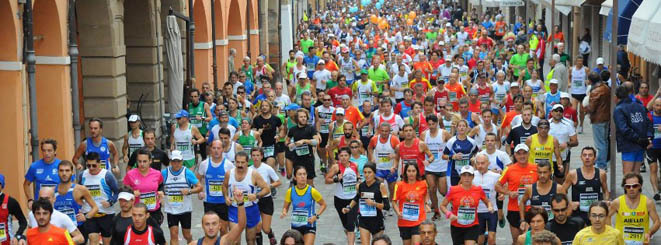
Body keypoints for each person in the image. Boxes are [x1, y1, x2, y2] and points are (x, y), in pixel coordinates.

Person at [223, 151, 271, 245]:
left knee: (250, 240)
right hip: (234, 209)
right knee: (235, 240)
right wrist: (226, 197)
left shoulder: (254, 174)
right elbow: (224, 186)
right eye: (237, 162)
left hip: (250, 209)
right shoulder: (229, 173)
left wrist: (256, 196)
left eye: (242, 162)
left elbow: (267, 188)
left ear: (247, 162)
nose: (240, 165)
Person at [495, 144, 539, 243]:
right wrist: (508, 193)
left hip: (532, 209)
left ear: (528, 154)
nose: (522, 156)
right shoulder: (509, 169)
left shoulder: (536, 168)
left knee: (530, 240)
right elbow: (497, 186)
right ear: (515, 155)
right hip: (514, 208)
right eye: (519, 154)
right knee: (516, 239)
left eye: (524, 153)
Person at [440, 165, 493, 245]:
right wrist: (449, 214)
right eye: (464, 175)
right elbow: (442, 205)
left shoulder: (478, 189)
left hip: (472, 225)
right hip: (456, 225)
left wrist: (490, 206)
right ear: (460, 176)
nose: (467, 178)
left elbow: (487, 201)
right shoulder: (453, 190)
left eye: (469, 175)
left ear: (473, 177)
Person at [78, 152, 120, 245]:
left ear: (99, 163)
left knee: (107, 242)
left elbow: (117, 191)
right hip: (89, 213)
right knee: (93, 239)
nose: (91, 168)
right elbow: (79, 192)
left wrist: (110, 202)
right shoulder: (82, 175)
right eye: (88, 165)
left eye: (94, 165)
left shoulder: (107, 175)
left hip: (106, 213)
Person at [162, 150, 202, 245]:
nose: (176, 164)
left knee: (186, 235)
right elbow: (157, 186)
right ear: (171, 161)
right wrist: (160, 193)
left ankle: (190, 241)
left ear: (182, 161)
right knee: (173, 233)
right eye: (174, 161)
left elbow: (200, 187)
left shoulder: (187, 173)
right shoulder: (164, 173)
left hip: (185, 209)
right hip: (171, 209)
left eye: (178, 161)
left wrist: (189, 191)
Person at [342, 163, 389, 244]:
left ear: (374, 173)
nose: (367, 175)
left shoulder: (381, 186)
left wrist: (374, 204)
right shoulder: (360, 186)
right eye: (365, 172)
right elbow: (356, 198)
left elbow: (387, 206)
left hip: (377, 220)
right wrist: (349, 208)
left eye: (369, 172)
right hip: (363, 220)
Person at [280, 166, 328, 245]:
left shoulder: (312, 191)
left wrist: (316, 216)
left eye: (304, 174)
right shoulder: (290, 191)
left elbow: (323, 204)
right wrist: (284, 212)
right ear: (295, 177)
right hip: (295, 225)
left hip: (309, 225)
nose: (302, 176)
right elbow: (286, 207)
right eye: (299, 174)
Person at [560, 146, 609, 224]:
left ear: (595, 158)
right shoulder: (573, 174)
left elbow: (605, 191)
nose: (587, 158)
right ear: (581, 157)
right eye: (585, 155)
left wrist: (606, 201)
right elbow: (561, 191)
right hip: (578, 214)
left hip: (595, 214)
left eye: (590, 155)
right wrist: (569, 203)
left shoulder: (601, 173)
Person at [609, 173, 661, 244]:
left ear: (640, 186)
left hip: (641, 242)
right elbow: (606, 216)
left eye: (635, 186)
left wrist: (649, 233)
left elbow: (657, 222)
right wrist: (612, 232)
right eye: (628, 186)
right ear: (624, 187)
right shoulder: (617, 202)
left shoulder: (648, 203)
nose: (631, 189)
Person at [196, 139, 234, 236]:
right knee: (210, 231)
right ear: (210, 149)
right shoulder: (204, 164)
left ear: (223, 149)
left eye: (218, 148)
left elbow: (234, 182)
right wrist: (199, 191)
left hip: (223, 202)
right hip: (209, 202)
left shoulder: (228, 165)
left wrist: (231, 196)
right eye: (214, 148)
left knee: (223, 230)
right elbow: (197, 180)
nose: (216, 150)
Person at [614, 85, 653, 174]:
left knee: (628, 174)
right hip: (641, 144)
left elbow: (624, 129)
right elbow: (649, 122)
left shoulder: (619, 109)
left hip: (629, 144)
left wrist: (638, 139)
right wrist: (648, 138)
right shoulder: (639, 105)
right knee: (636, 173)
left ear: (616, 97)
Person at [420, 115, 452, 220]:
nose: (431, 126)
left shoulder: (444, 133)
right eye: (429, 124)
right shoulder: (424, 134)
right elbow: (420, 148)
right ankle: (437, 212)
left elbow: (452, 143)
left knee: (443, 192)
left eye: (433, 124)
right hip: (430, 167)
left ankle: (449, 203)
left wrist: (450, 157)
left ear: (437, 123)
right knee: (432, 188)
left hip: (442, 166)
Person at [123, 148, 165, 225]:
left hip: (154, 211)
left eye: (145, 161)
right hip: (138, 213)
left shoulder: (157, 174)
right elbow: (124, 190)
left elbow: (161, 185)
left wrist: (161, 192)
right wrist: (132, 192)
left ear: (150, 161)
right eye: (139, 161)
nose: (142, 164)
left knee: (154, 235)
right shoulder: (130, 174)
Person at [326, 147, 359, 245]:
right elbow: (327, 180)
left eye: (346, 155)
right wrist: (336, 179)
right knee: (346, 225)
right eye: (341, 156)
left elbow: (357, 178)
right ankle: (351, 238)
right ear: (338, 156)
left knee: (350, 225)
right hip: (340, 199)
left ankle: (351, 242)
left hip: (353, 199)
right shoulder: (336, 167)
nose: (344, 158)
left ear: (349, 156)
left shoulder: (355, 165)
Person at [250, 147, 282, 245]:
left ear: (262, 156)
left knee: (265, 228)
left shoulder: (267, 168)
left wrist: (269, 186)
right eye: (254, 155)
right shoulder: (249, 169)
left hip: (266, 199)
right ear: (251, 157)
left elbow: (278, 181)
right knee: (257, 226)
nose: (256, 158)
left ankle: (270, 234)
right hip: (254, 200)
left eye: (258, 155)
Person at [54, 160, 98, 232]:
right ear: (58, 172)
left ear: (72, 172)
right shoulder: (52, 191)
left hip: (78, 229)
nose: (64, 173)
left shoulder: (80, 189)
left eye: (67, 170)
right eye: (61, 171)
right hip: (59, 230)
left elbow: (95, 208)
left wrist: (85, 217)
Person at [391, 163, 429, 245]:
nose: (411, 173)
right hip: (404, 221)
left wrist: (426, 204)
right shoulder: (399, 185)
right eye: (409, 171)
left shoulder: (423, 184)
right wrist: (398, 212)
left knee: (416, 243)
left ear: (417, 172)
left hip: (419, 220)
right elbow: (394, 201)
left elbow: (426, 194)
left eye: (413, 171)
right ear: (405, 172)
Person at [24, 139, 66, 207]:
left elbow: (71, 185)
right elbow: (26, 184)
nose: (46, 153)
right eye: (44, 150)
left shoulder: (62, 166)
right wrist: (30, 200)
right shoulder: (34, 166)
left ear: (55, 151)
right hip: (41, 205)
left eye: (49, 150)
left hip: (59, 204)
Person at [518, 161, 558, 231]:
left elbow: (566, 205)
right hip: (535, 226)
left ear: (550, 172)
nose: (542, 175)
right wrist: (523, 220)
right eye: (540, 172)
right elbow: (522, 202)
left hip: (553, 225)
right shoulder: (530, 188)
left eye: (545, 172)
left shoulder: (558, 188)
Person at [368, 122, 401, 205]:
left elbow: (400, 152)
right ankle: (383, 204)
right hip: (379, 168)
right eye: (382, 131)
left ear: (389, 131)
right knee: (379, 188)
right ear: (379, 130)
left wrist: (394, 156)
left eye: (386, 131)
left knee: (392, 189)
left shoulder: (394, 139)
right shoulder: (374, 139)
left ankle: (390, 203)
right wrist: (371, 157)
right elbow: (370, 148)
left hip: (391, 168)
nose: (384, 133)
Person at [286, 108, 321, 185]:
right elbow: (287, 141)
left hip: (308, 158)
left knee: (309, 183)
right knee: (299, 183)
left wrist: (304, 141)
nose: (303, 118)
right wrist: (290, 145)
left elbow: (316, 141)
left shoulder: (311, 128)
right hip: (297, 158)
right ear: (297, 118)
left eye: (305, 116)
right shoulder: (293, 130)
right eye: (301, 117)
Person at [472, 153, 501, 245]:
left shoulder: (495, 176)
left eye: (483, 163)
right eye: (478, 163)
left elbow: (503, 188)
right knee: (480, 240)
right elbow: (461, 188)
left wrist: (501, 194)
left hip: (491, 210)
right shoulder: (471, 175)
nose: (480, 166)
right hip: (477, 211)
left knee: (491, 238)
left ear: (488, 163)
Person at [252, 100, 286, 173]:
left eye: (266, 106)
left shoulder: (275, 119)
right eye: (263, 106)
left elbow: (282, 129)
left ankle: (270, 183)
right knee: (261, 170)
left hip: (271, 146)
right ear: (260, 108)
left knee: (269, 167)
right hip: (260, 146)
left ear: (270, 107)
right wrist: (257, 133)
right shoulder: (256, 119)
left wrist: (279, 136)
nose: (264, 107)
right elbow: (252, 134)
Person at [443, 120, 479, 186]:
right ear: (456, 128)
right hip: (454, 172)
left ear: (467, 128)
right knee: (455, 192)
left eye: (463, 126)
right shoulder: (451, 141)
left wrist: (474, 158)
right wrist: (452, 157)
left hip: (468, 172)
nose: (461, 128)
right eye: (459, 126)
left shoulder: (472, 142)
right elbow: (443, 156)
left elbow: (476, 152)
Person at [586, 72, 610, 169]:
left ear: (591, 81)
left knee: (600, 143)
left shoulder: (595, 91)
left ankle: (601, 164)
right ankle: (603, 162)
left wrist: (585, 108)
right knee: (604, 141)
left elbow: (591, 108)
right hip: (606, 118)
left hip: (598, 118)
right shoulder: (606, 88)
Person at [548, 104, 578, 180]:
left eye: (560, 111)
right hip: (548, 156)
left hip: (563, 156)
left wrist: (567, 144)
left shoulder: (568, 125)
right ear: (552, 112)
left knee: (562, 178)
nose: (558, 113)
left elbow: (575, 142)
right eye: (556, 111)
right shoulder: (546, 124)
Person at [0, 174, 28, 245]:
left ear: (2, 185)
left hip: (6, 242)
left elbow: (23, 222)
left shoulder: (11, 202)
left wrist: (17, 236)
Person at [187, 88, 213, 159]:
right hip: (192, 132)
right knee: (193, 152)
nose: (193, 98)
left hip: (202, 131)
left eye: (195, 96)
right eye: (192, 97)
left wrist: (202, 118)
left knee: (203, 152)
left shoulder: (204, 105)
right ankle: (194, 166)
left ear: (199, 96)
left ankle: (203, 166)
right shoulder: (188, 106)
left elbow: (210, 118)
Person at [568, 56, 590, 133]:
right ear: (576, 61)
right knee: (574, 110)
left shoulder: (586, 69)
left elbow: (589, 79)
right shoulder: (571, 69)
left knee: (582, 111)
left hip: (583, 92)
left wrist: (587, 81)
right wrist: (569, 83)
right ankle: (574, 125)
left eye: (581, 61)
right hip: (574, 92)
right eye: (578, 61)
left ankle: (581, 125)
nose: (580, 63)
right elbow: (569, 77)